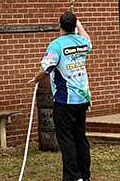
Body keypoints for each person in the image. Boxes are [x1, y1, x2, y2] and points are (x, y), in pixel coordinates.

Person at [29, 11, 92, 181]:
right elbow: (88, 39)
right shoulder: (82, 42)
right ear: (74, 26)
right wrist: (79, 24)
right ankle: (85, 175)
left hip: (65, 100)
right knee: (80, 137)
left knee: (66, 140)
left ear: (60, 26)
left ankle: (72, 176)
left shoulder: (56, 45)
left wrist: (35, 79)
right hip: (83, 98)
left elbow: (46, 69)